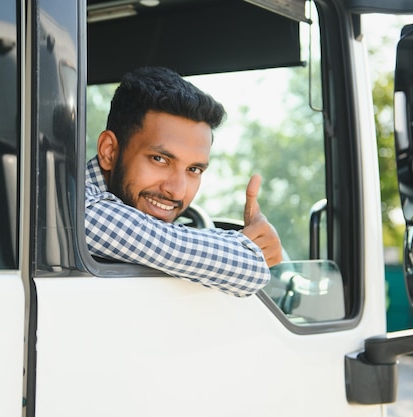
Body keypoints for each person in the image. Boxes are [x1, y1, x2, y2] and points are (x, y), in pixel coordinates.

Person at [85, 66, 282, 297]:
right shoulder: (68, 203)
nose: (177, 191)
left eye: (193, 169)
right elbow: (245, 269)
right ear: (109, 151)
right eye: (159, 159)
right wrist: (250, 251)